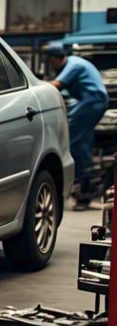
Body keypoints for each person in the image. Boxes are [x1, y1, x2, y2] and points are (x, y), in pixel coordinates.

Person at [47, 46, 109, 210]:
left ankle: (83, 187)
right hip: (89, 101)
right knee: (82, 139)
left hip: (93, 100)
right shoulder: (74, 63)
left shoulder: (73, 65)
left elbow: (56, 85)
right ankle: (85, 186)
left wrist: (36, 88)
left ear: (54, 59)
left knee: (72, 140)